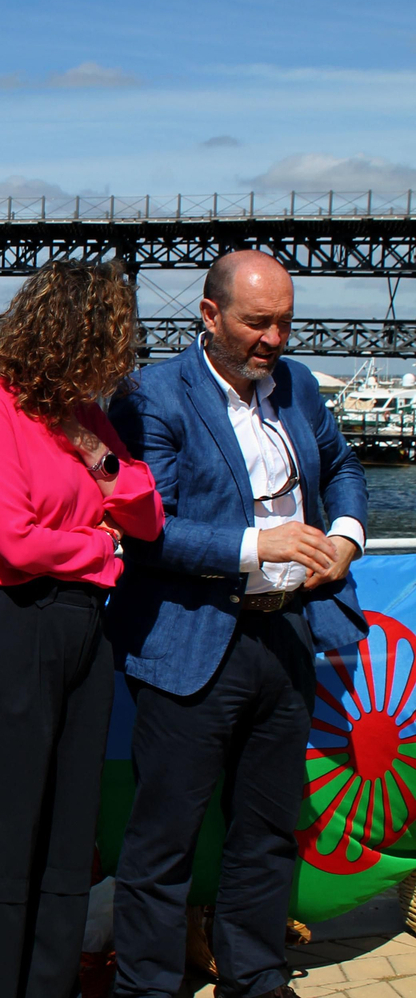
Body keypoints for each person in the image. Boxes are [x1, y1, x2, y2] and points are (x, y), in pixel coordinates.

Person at [107, 250, 368, 998]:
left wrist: (344, 537)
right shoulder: (152, 396)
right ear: (209, 315)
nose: (275, 339)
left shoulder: (299, 384)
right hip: (192, 640)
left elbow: (343, 465)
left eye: (285, 321)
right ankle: (147, 987)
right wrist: (259, 545)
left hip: (286, 635)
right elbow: (146, 527)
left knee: (268, 828)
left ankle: (254, 974)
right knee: (164, 838)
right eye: (258, 322)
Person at [0, 261, 164, 997]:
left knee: (67, 840)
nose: (112, 369)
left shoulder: (85, 421)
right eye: (106, 350)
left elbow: (149, 512)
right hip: (10, 629)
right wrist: (102, 544)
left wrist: (101, 466)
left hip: (82, 631)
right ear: (70, 337)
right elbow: (19, 545)